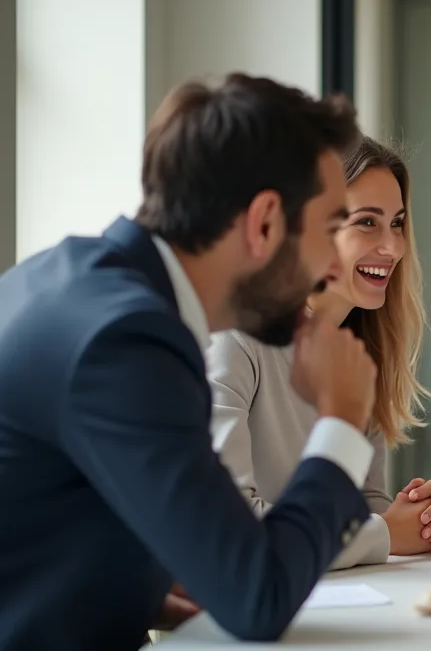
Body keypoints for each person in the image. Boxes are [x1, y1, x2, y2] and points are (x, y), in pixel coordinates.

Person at [0, 74, 382, 649]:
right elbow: (261, 600)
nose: (332, 265)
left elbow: (45, 519)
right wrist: (342, 419)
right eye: (331, 230)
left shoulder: (69, 280)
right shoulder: (127, 342)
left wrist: (138, 583)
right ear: (264, 223)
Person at [207, 136, 431, 570]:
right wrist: (385, 532)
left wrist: (416, 518)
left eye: (397, 222)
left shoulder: (361, 352)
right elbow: (231, 529)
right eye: (367, 222)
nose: (394, 247)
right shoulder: (233, 338)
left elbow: (362, 509)